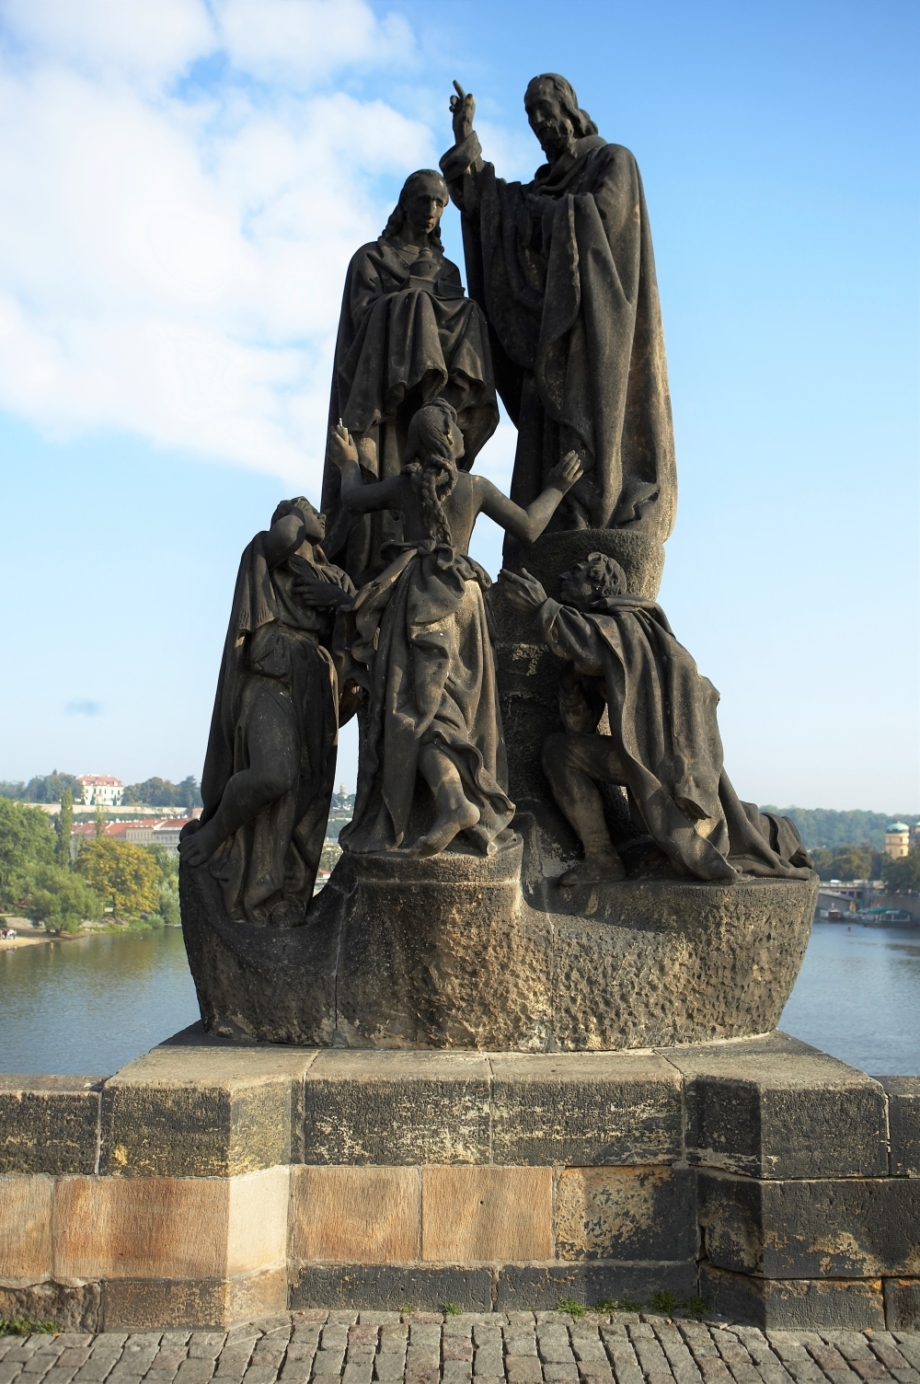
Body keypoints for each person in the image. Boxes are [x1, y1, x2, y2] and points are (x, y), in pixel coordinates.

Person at [328, 398, 584, 858]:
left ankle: (454, 802)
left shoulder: (404, 486)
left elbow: (351, 499)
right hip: (464, 596)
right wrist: (557, 489)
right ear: (448, 440)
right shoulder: (475, 486)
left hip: (421, 597)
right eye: (461, 428)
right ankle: (456, 803)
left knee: (418, 710)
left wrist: (349, 463)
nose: (467, 435)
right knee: (445, 709)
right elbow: (529, 527)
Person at [441, 75, 676, 548]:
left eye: (545, 111)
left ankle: (589, 521)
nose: (540, 123)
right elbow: (494, 207)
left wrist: (544, 218)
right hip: (547, 330)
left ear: (570, 109)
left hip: (593, 330)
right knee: (542, 433)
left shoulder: (613, 160)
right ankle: (543, 531)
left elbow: (603, 218)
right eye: (531, 117)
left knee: (587, 437)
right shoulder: (542, 187)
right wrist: (466, 142)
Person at [501, 556, 813, 885]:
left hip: (666, 759)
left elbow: (591, 647)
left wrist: (542, 607)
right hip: (647, 753)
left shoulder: (628, 624)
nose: (564, 574)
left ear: (597, 584)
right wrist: (570, 684)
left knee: (705, 840)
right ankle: (601, 858)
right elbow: (580, 725)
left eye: (575, 571)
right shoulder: (609, 639)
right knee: (561, 751)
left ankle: (775, 831)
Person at [179, 499, 357, 926]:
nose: (323, 516)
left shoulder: (336, 578)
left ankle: (281, 896)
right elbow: (284, 534)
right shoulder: (267, 556)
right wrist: (296, 515)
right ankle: (216, 833)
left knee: (306, 797)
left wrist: (340, 599)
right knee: (275, 775)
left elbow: (363, 626)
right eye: (315, 510)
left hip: (316, 685)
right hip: (270, 677)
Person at [322, 169, 499, 585]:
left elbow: (456, 316)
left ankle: (448, 401)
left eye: (441, 204)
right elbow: (361, 320)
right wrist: (411, 303)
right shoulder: (370, 258)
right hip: (384, 392)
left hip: (426, 410)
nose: (432, 211)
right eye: (424, 200)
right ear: (404, 204)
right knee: (417, 304)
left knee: (470, 310)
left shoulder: (447, 270)